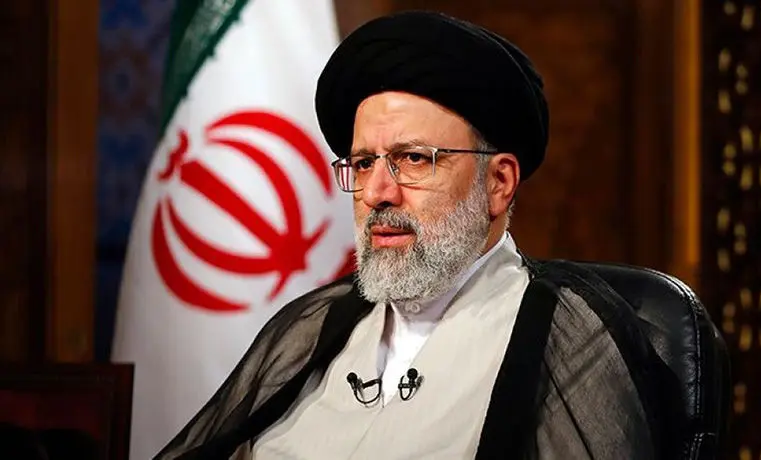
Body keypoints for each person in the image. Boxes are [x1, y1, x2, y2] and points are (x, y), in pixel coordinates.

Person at [155, 10, 683, 460]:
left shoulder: (565, 337)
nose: (377, 192)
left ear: (498, 183)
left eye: (412, 159)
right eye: (364, 163)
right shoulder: (310, 328)